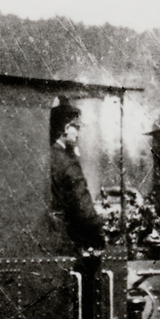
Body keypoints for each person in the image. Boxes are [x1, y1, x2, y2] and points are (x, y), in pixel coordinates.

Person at [50, 100, 107, 251]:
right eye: (77, 128)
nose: (78, 134)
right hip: (68, 238)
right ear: (66, 128)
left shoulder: (51, 155)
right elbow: (82, 204)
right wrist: (98, 228)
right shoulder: (67, 162)